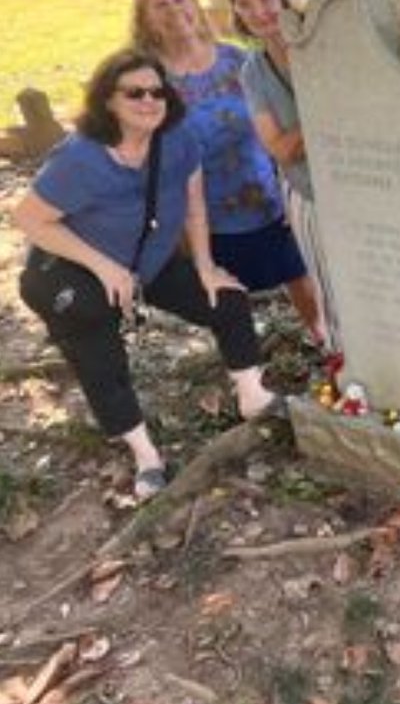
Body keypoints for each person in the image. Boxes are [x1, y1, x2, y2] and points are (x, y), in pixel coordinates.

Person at [15, 49, 281, 502]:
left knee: (228, 300)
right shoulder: (81, 158)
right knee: (102, 360)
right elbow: (29, 219)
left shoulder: (177, 138)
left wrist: (205, 267)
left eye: (157, 91)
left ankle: (253, 396)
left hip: (145, 263)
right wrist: (103, 266)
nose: (149, 100)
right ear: (108, 101)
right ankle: (146, 457)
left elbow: (195, 206)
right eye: (134, 92)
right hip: (75, 273)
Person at [130, 0, 326, 348]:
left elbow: (276, 122)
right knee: (225, 292)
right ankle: (246, 364)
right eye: (160, 5)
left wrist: (287, 185)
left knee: (295, 270)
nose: (173, 10)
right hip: (203, 211)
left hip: (265, 192)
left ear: (194, 5)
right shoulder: (148, 80)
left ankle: (321, 338)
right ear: (146, 20)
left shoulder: (236, 61)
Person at [227, 0, 341, 358]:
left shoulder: (326, 44)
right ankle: (348, 367)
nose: (259, 12)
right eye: (244, 4)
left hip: (357, 183)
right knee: (332, 289)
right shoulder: (253, 72)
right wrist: (328, 110)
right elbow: (280, 149)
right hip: (308, 194)